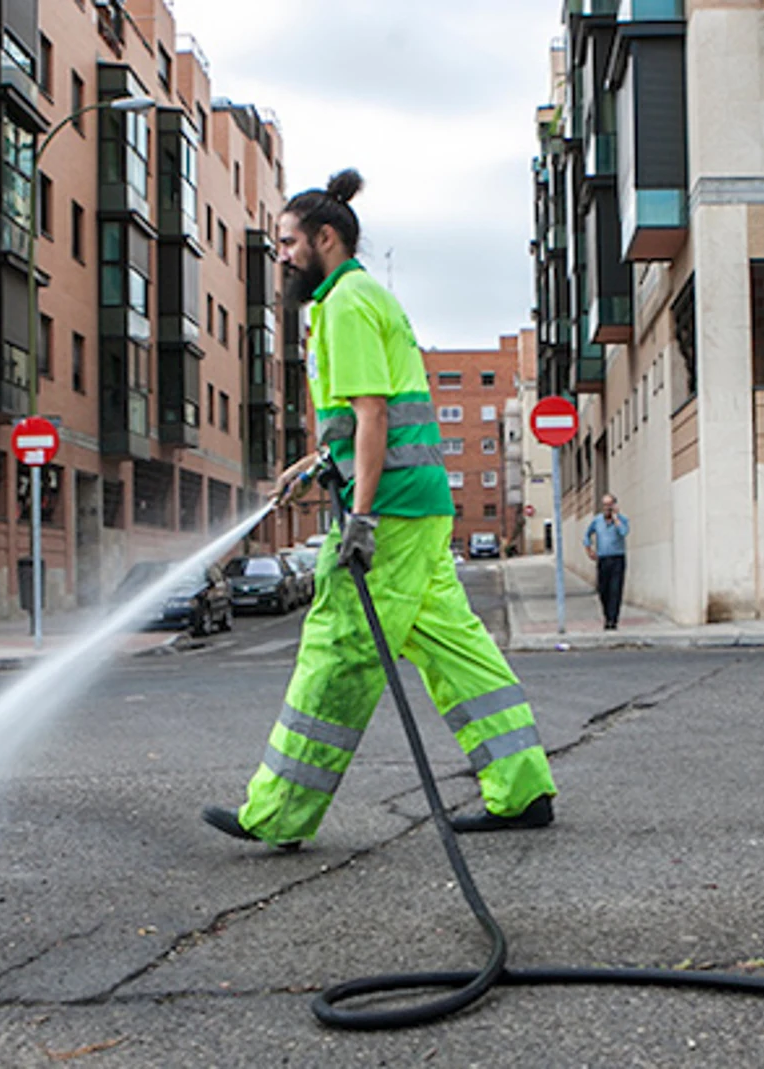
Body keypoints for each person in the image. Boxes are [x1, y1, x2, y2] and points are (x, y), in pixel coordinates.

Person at [203, 170, 557, 846]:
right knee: (456, 648)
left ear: (324, 239)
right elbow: (365, 420)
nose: (279, 256)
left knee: (338, 649)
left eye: (286, 243)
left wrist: (358, 517)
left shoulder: (343, 303)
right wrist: (313, 466)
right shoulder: (366, 297)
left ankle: (277, 812)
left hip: (388, 513)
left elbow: (373, 412)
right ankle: (522, 785)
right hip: (419, 505)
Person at [583, 494, 629, 630]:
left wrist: (616, 519)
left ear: (615, 505)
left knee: (615, 589)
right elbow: (587, 534)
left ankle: (613, 620)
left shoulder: (622, 520)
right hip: (603, 559)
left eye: (610, 504)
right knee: (603, 590)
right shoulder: (597, 521)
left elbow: (624, 532)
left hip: (617, 559)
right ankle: (607, 616)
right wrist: (589, 549)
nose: (607, 508)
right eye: (605, 505)